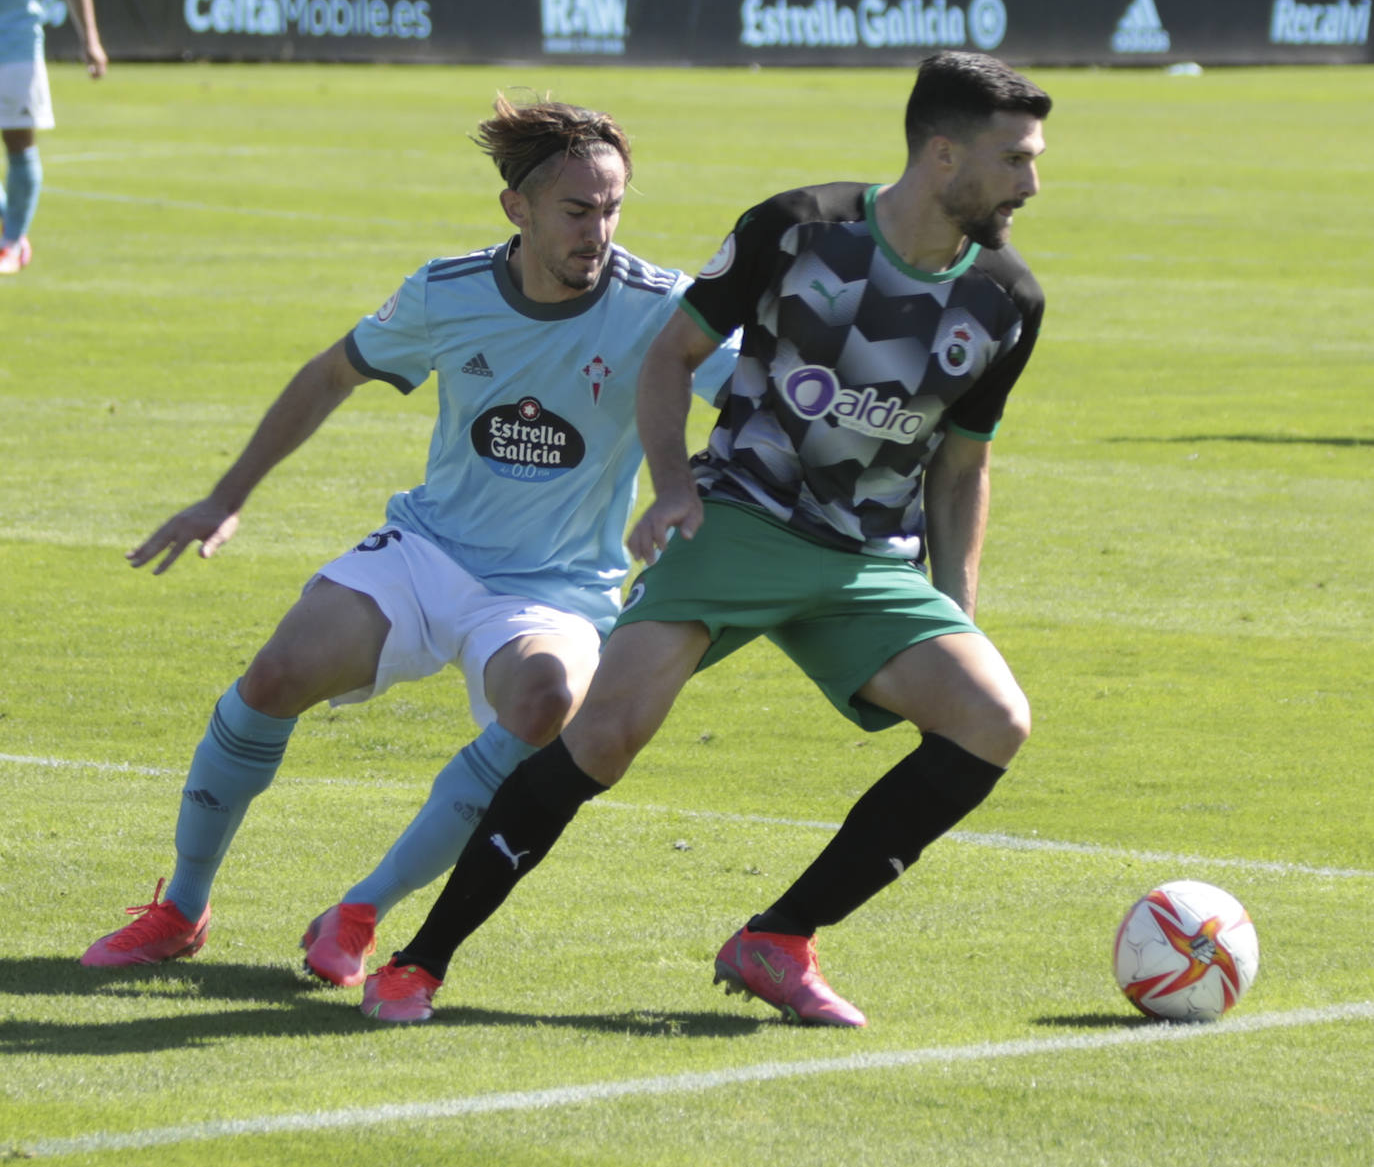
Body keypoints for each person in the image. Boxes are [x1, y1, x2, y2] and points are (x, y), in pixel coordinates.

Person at [359, 50, 1053, 1027]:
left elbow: (961, 466)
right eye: (1016, 158)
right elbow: (669, 357)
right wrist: (676, 482)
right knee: (600, 736)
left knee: (993, 718)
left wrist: (958, 612)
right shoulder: (798, 229)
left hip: (862, 560)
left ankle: (780, 937)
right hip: (737, 518)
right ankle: (419, 960)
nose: (1032, 181)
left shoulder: (1007, 299)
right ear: (944, 155)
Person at [80, 94, 739, 983]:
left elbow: (767, 394)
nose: (602, 231)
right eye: (578, 210)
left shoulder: (663, 307)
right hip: (430, 554)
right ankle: (181, 907)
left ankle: (361, 910)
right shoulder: (448, 291)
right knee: (274, 674)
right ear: (519, 208)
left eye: (615, 206)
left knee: (546, 700)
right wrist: (224, 497)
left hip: (555, 587)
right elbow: (328, 376)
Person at [0, 0, 106, 274]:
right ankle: (9, 221)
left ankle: (13, 242)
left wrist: (90, 40)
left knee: (18, 142)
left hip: (15, 44)